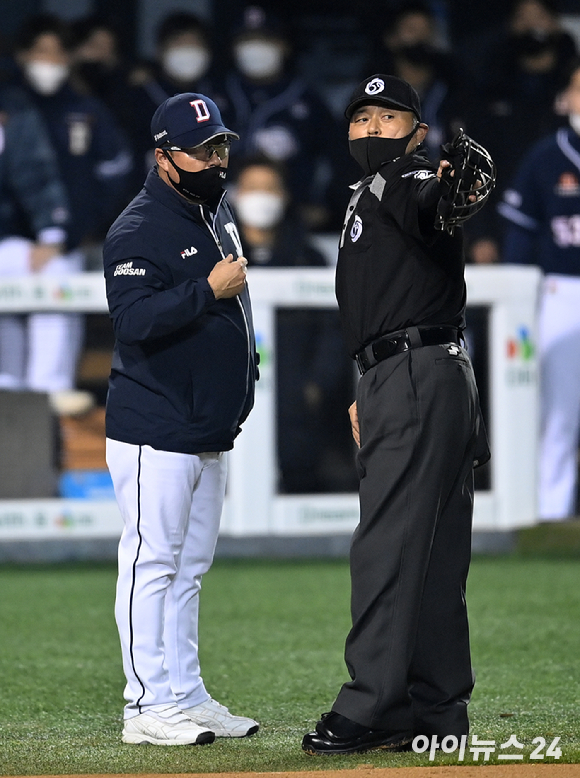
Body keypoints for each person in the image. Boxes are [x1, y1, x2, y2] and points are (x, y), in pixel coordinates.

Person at [301, 74, 490, 756]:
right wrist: (369, 379)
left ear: (417, 129)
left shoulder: (409, 178)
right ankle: (436, 709)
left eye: (390, 116)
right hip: (419, 372)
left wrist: (448, 190)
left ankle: (374, 706)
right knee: (434, 554)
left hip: (416, 375)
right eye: (363, 116)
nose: (374, 127)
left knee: (386, 547)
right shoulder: (367, 191)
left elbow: (435, 202)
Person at [103, 92, 259, 745]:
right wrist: (206, 291)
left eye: (220, 145)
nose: (214, 158)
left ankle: (185, 695)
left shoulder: (214, 210)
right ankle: (144, 707)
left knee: (189, 568)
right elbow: (133, 323)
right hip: (153, 424)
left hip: (205, 424)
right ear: (165, 157)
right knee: (152, 562)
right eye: (201, 150)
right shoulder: (137, 228)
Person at [231, 155, 357, 493]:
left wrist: (316, 386)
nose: (261, 197)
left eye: (269, 188)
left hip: (298, 407)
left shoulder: (308, 257)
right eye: (253, 188)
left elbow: (335, 330)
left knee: (301, 480)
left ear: (284, 196)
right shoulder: (216, 255)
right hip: (228, 398)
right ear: (235, 194)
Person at [498, 59, 580, 521]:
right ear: (566, 97)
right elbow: (520, 235)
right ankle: (551, 514)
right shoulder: (547, 156)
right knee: (559, 414)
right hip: (562, 291)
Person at [0, 82, 70, 396]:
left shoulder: (13, 107)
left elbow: (36, 174)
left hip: (7, 241)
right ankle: (7, 381)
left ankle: (48, 386)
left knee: (55, 271)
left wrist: (50, 236)